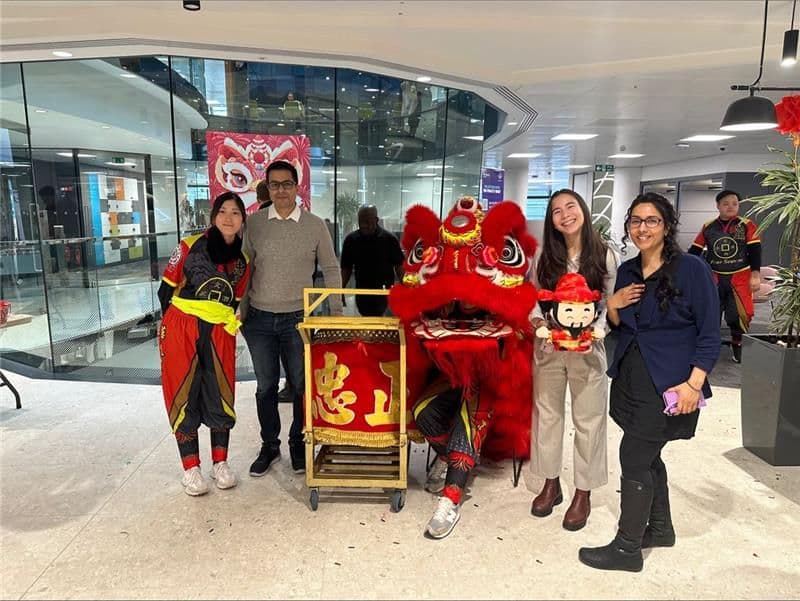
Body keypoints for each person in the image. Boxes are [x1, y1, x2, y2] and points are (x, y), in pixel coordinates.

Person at [578, 192, 720, 572]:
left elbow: (709, 333)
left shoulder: (691, 269)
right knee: (649, 454)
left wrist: (694, 384)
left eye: (651, 220)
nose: (642, 228)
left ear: (668, 225)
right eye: (636, 221)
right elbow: (624, 329)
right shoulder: (626, 271)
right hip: (630, 376)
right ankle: (659, 527)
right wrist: (613, 306)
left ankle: (627, 548)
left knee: (634, 456)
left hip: (669, 383)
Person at [241, 160, 343, 476]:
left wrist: (336, 312)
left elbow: (331, 268)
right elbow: (245, 270)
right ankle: (269, 445)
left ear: (297, 186)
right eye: (274, 185)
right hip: (258, 320)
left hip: (300, 319)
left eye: (286, 184)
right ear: (267, 188)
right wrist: (240, 313)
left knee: (300, 385)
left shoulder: (314, 225)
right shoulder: (255, 223)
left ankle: (298, 444)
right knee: (265, 387)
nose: (281, 190)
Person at [528, 189, 618, 531]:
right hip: (550, 348)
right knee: (548, 416)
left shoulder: (605, 255)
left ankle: (584, 491)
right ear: (551, 221)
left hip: (588, 352)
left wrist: (596, 330)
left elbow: (610, 302)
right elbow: (532, 298)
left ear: (583, 209)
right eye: (556, 211)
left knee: (589, 419)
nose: (565, 214)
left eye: (571, 206)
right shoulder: (544, 256)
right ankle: (550, 483)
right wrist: (538, 323)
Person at [158, 192, 250, 496]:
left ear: (242, 220)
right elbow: (164, 292)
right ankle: (191, 468)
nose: (228, 218)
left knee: (220, 391)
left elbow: (234, 300)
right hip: (182, 327)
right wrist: (172, 329)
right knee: (184, 391)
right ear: (213, 216)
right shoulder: (187, 247)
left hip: (220, 330)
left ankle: (220, 463)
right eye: (222, 211)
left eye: (235, 213)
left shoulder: (243, 261)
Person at [688, 189, 761, 363]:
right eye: (726, 204)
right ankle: (707, 349)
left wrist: (755, 275)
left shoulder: (747, 225)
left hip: (740, 278)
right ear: (718, 206)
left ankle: (738, 343)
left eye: (734, 204)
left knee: (738, 316)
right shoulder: (708, 226)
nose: (731, 207)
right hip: (713, 278)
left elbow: (755, 251)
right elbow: (695, 251)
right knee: (710, 315)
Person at [340, 205, 404, 317]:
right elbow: (346, 269)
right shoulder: (351, 240)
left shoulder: (389, 239)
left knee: (384, 328)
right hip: (362, 294)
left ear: (376, 220)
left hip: (385, 294)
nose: (364, 225)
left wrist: (409, 292)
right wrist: (340, 292)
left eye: (368, 222)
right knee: (366, 328)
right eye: (361, 222)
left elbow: (400, 268)